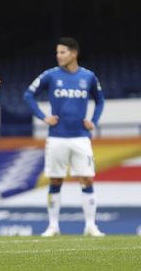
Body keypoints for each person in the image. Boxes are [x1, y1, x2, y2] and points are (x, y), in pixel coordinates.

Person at [23, 37, 105, 237]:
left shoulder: (88, 77)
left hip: (80, 137)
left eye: (62, 52)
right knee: (55, 180)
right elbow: (28, 95)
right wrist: (44, 117)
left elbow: (100, 100)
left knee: (86, 178)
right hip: (57, 137)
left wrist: (93, 120)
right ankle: (53, 226)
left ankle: (90, 226)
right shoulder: (50, 75)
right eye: (57, 52)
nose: (58, 55)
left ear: (73, 53)